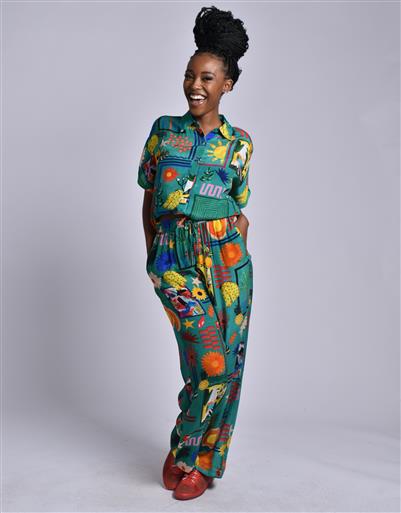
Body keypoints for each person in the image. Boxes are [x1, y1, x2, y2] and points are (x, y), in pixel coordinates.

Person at [138, 5, 254, 501]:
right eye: (190, 75)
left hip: (227, 262)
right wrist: (154, 258)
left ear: (227, 84)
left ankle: (202, 465)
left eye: (206, 77)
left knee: (227, 366)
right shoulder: (164, 131)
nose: (195, 85)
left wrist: (237, 237)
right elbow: (150, 198)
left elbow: (239, 205)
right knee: (208, 363)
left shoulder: (239, 144)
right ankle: (184, 445)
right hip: (174, 259)